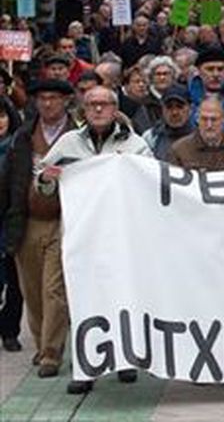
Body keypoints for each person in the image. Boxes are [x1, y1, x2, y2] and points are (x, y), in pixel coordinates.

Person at [37, 85, 151, 394]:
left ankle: (125, 360)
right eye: (92, 105)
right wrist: (46, 179)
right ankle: (85, 368)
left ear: (115, 109)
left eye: (104, 104)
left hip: (122, 235)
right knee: (81, 297)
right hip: (80, 235)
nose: (98, 110)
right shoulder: (68, 142)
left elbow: (152, 181)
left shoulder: (135, 144)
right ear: (83, 110)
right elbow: (42, 177)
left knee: (123, 294)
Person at [0, 79, 79, 380]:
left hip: (64, 221)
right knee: (31, 290)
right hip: (27, 220)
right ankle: (41, 341)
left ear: (65, 101)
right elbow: (8, 179)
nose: (48, 103)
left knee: (53, 290)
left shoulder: (77, 136)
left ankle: (51, 352)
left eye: (54, 98)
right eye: (43, 98)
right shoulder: (23, 136)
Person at [0, 94, 23, 352]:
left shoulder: (18, 148)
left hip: (11, 221)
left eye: (2, 115)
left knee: (15, 282)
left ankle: (10, 330)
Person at [142, 85, 195, 160]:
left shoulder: (201, 138)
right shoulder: (151, 138)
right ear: (162, 109)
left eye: (179, 107)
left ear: (190, 109)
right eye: (169, 107)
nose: (174, 112)